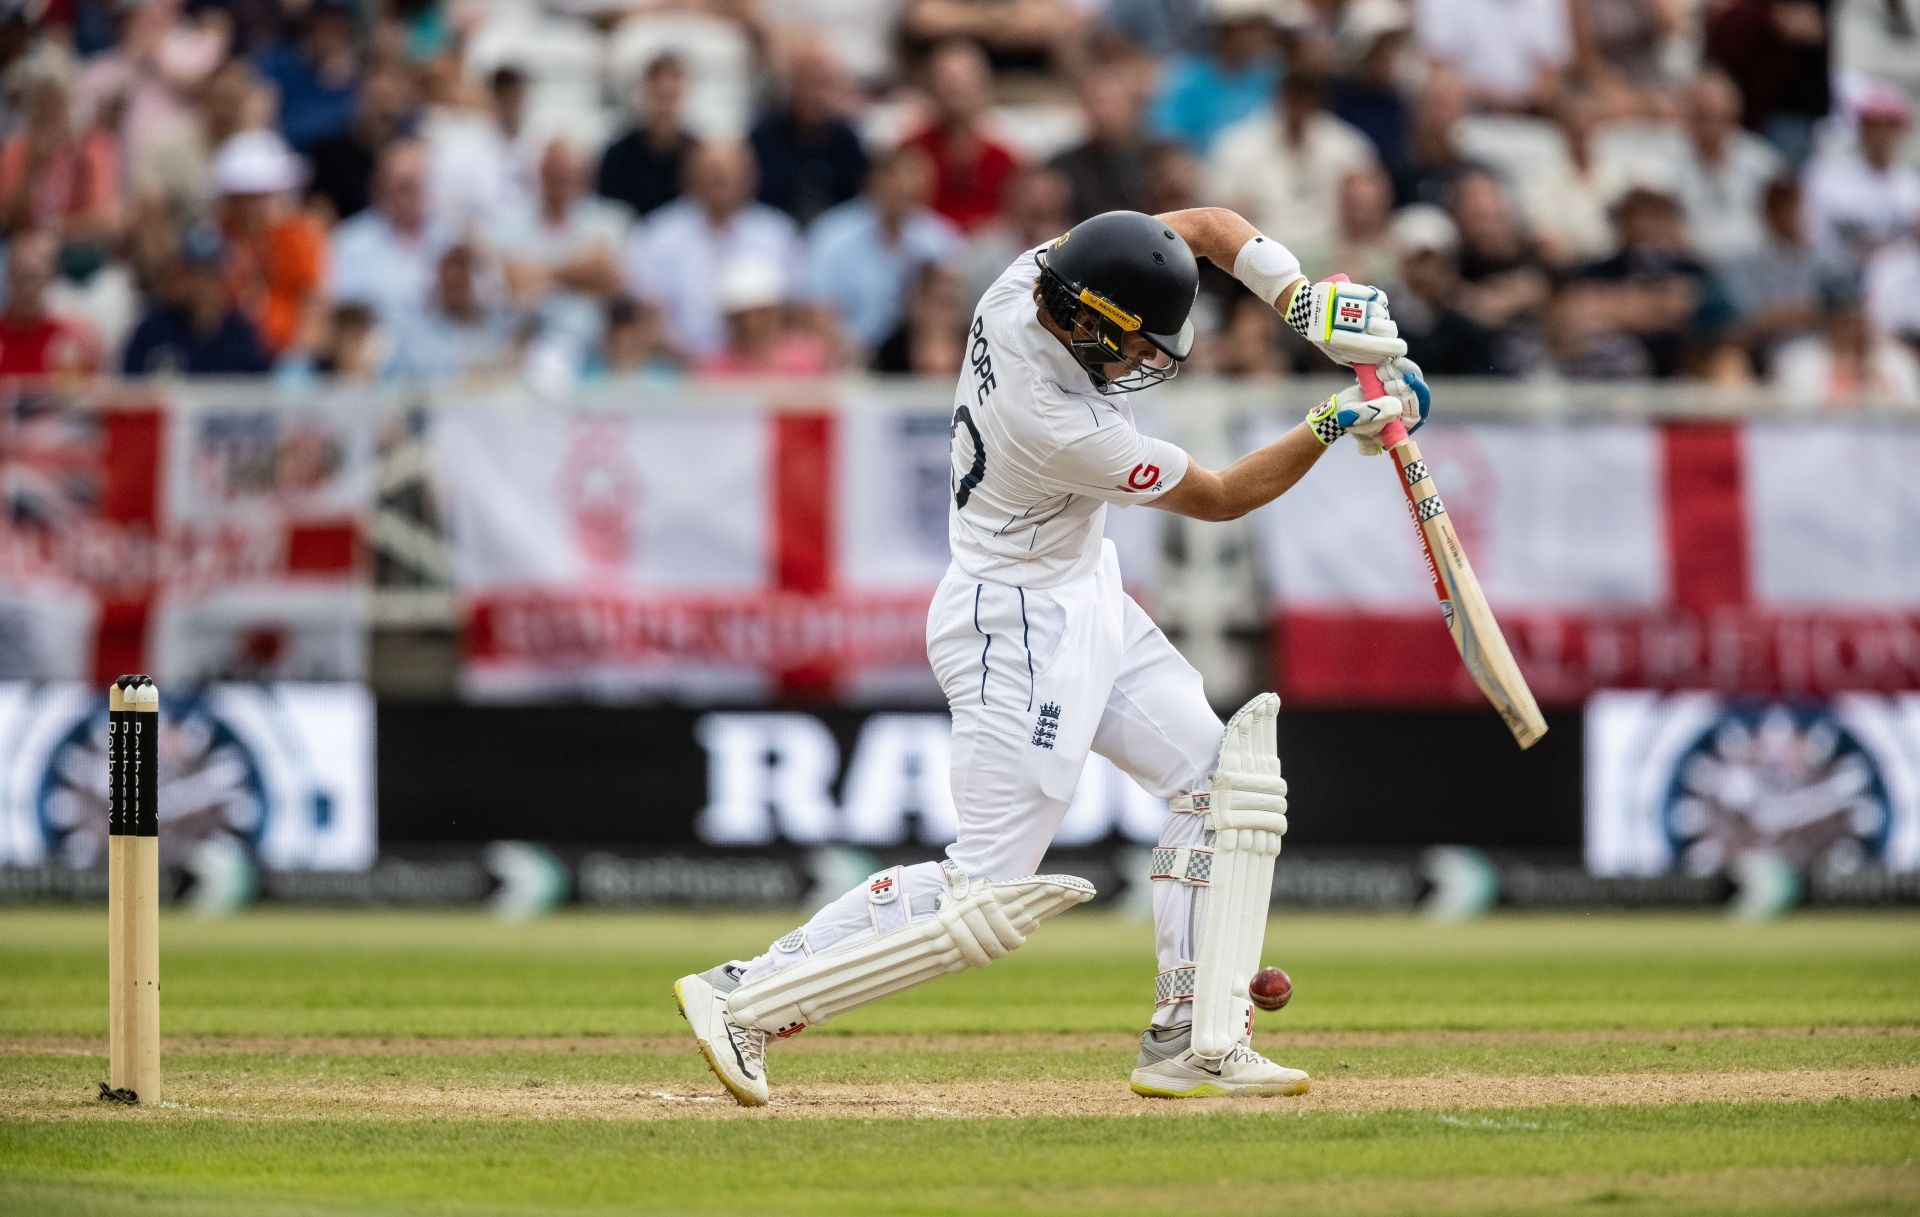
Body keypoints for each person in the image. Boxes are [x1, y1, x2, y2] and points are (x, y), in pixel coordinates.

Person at [674, 207, 1427, 1107]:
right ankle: (747, 994)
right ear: (1084, 321)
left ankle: (1193, 1031)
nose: (1145, 361)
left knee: (1220, 782)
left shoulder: (1035, 275)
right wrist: (1337, 417)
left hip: (1082, 589)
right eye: (1136, 344)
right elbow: (1223, 497)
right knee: (986, 889)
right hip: (1015, 626)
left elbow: (1208, 226)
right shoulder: (1058, 419)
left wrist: (1302, 299)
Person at [622, 139, 801, 361]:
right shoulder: (659, 235)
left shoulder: (777, 234)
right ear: (689, 177)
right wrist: (695, 363)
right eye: (711, 173)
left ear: (751, 178)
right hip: (677, 369)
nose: (720, 180)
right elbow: (646, 315)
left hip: (762, 368)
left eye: (728, 174)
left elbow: (794, 311)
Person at [804, 144, 962, 362]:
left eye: (914, 185)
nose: (905, 189)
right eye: (897, 181)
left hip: (915, 361)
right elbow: (817, 310)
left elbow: (950, 312)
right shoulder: (833, 235)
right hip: (847, 359)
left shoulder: (940, 239)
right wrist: (851, 356)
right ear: (874, 181)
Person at [212, 129, 328, 358]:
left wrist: (298, 358)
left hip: (289, 359)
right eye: (244, 197)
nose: (252, 206)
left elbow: (314, 308)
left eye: (261, 195)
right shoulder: (213, 242)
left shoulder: (298, 239)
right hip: (227, 358)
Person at [900, 40, 1022, 233]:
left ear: (984, 85)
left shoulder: (1003, 159)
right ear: (931, 85)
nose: (956, 87)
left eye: (964, 78)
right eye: (947, 78)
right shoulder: (912, 151)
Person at [327, 141, 450, 332]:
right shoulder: (350, 242)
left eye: (418, 184)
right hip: (376, 351)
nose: (410, 195)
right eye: (402, 186)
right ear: (381, 187)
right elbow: (344, 313)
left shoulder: (452, 236)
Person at [749, 38, 869, 226]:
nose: (813, 94)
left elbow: (857, 205)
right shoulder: (764, 137)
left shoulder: (846, 141)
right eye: (805, 83)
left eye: (822, 84)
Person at [121, 226, 272, 375]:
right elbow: (130, 383)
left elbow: (259, 385)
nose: (201, 286)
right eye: (194, 275)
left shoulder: (239, 333)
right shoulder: (154, 329)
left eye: (210, 276)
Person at [1150, 0, 1283, 154]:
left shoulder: (1271, 76)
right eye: (1254, 28)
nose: (1263, 36)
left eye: (1265, 28)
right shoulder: (1186, 80)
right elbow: (1165, 137)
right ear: (1228, 31)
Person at [597, 54, 697, 220]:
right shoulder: (617, 156)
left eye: (671, 97)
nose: (665, 108)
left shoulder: (698, 157)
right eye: (659, 96)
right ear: (645, 94)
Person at [1050, 70, 1154, 220]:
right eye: (1094, 102)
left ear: (1131, 106)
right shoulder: (1061, 168)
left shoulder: (1157, 160)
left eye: (1112, 102)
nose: (1102, 112)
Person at [0, 230, 101, 376]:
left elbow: (84, 391)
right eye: (19, 275)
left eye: (33, 276)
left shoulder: (70, 337)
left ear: (49, 277)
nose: (26, 287)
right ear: (8, 276)